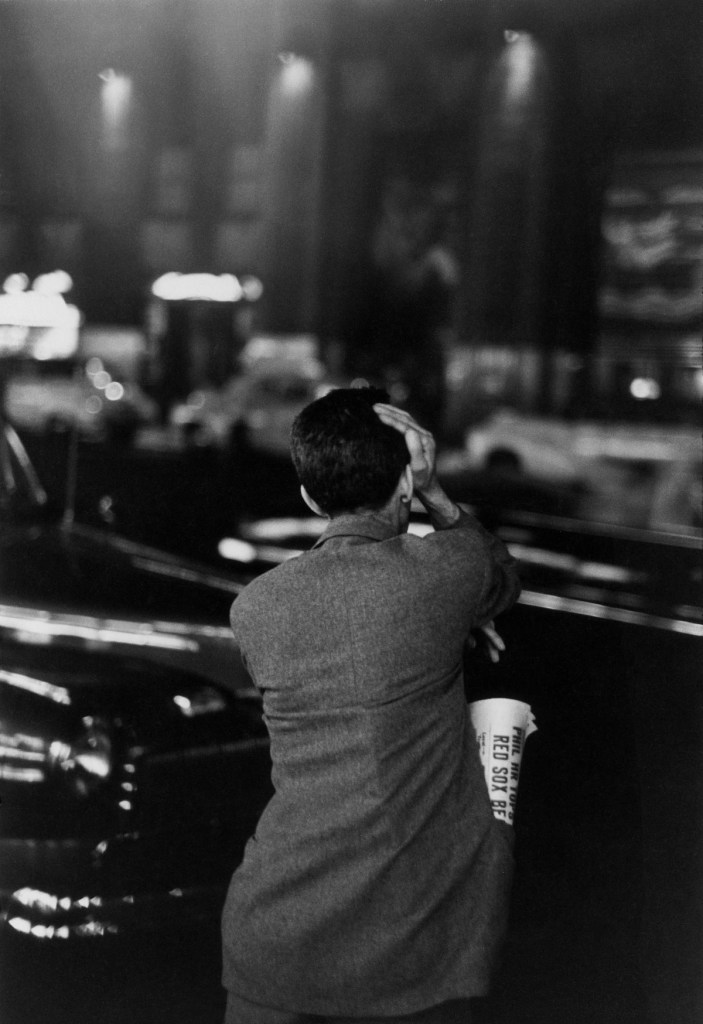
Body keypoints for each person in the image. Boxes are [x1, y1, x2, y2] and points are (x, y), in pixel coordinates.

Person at [221, 386, 522, 1024]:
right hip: (411, 949)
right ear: (405, 484)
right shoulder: (447, 574)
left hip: (276, 937)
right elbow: (500, 576)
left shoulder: (255, 607)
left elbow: (344, 651)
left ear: (309, 496)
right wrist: (438, 493)